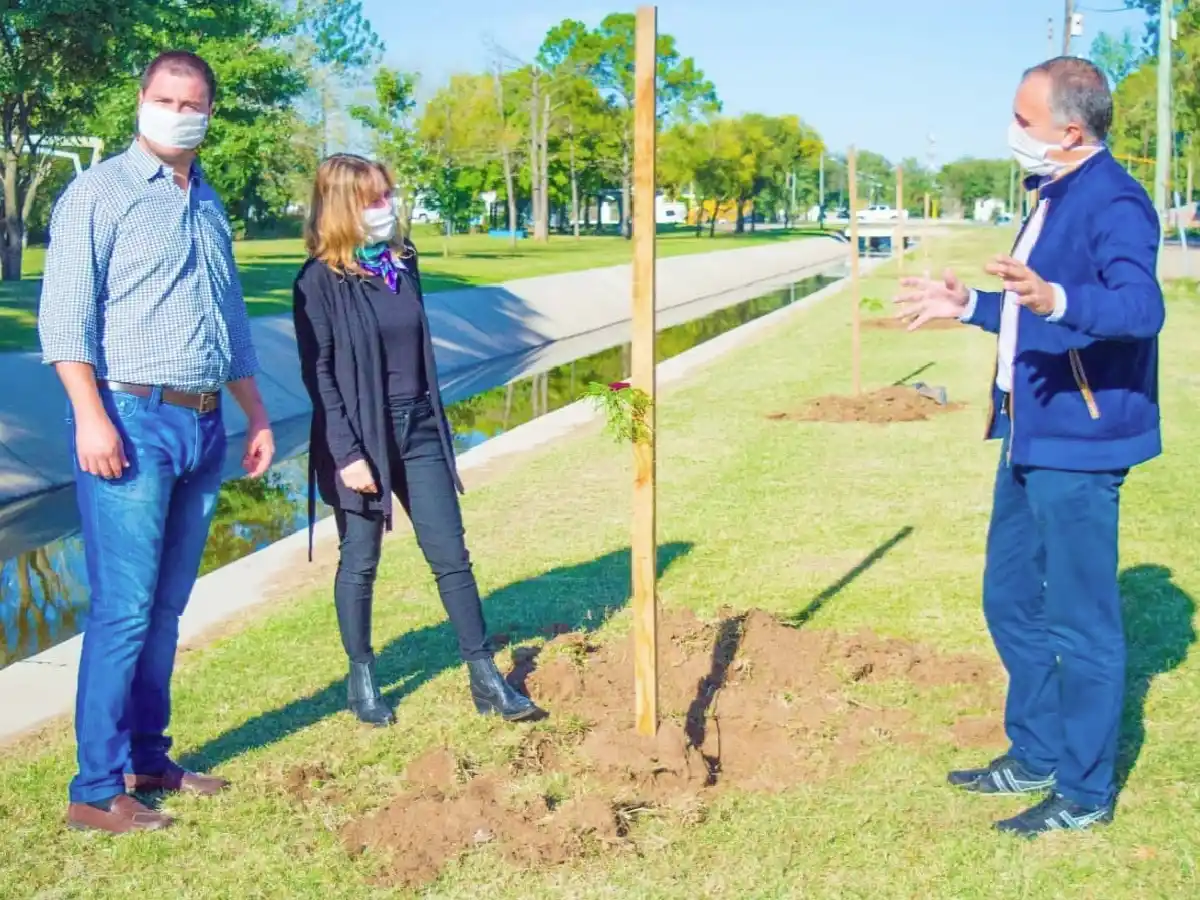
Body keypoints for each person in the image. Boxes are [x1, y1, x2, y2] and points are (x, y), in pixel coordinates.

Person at [894, 57, 1164, 837]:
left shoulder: (1114, 198)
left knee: (1083, 624)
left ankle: (1082, 793)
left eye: (1022, 119)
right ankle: (1038, 750)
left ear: (1070, 130)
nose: (1012, 132)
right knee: (1010, 597)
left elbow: (1140, 307)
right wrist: (971, 305)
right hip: (1029, 426)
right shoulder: (1054, 192)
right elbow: (1026, 310)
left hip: (1080, 440)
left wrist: (1058, 297)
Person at [37, 51, 276, 834]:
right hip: (131, 419)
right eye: (166, 98)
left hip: (204, 423)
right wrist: (89, 415)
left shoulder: (206, 201)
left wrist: (258, 413)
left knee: (168, 608)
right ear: (142, 101)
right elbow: (65, 318)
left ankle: (148, 759)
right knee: (124, 610)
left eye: (194, 101)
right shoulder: (97, 194)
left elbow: (230, 319)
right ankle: (95, 789)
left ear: (210, 111)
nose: (179, 110)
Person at [292, 154, 540, 728]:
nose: (387, 208)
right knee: (360, 561)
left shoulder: (402, 263)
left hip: (420, 427)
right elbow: (319, 375)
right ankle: (361, 679)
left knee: (452, 556)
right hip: (360, 437)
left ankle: (485, 677)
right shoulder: (316, 283)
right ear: (344, 206)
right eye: (374, 199)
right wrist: (348, 454)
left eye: (388, 195)